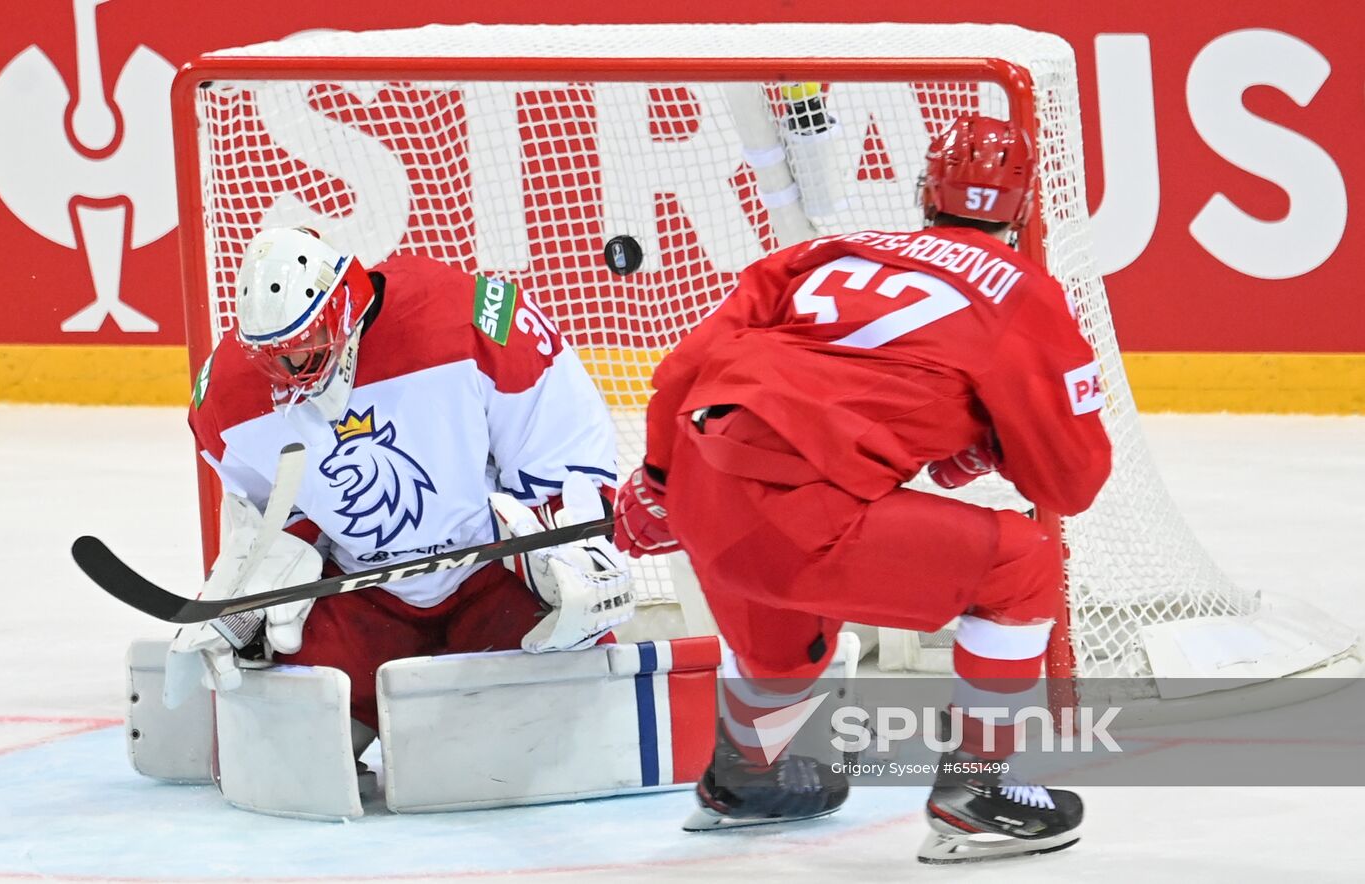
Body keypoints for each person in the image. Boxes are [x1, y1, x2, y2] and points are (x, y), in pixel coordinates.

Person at [613, 115, 1113, 862]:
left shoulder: (826, 251)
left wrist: (655, 482)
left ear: (925, 191)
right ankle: (979, 791)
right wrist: (992, 444)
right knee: (1023, 565)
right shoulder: (1021, 293)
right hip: (796, 507)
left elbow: (687, 365)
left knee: (791, 642)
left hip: (700, 475)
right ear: (1024, 209)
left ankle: (752, 778)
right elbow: (1071, 482)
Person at [168, 227, 634, 754]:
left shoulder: (463, 315)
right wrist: (252, 591)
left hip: (491, 576)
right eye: (275, 354)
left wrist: (574, 537)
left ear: (342, 306)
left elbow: (557, 435)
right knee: (278, 744)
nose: (292, 368)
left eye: (305, 343)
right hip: (365, 596)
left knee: (580, 702)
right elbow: (275, 512)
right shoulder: (226, 396)